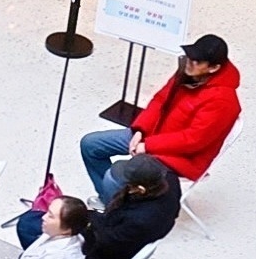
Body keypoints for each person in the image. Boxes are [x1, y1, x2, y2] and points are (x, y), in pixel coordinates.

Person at [83, 35, 245, 196]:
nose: (190, 61)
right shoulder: (188, 73)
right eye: (190, 56)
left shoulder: (223, 101)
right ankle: (113, 200)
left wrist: (148, 146)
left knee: (114, 177)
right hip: (153, 135)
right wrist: (140, 130)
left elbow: (193, 140)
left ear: (214, 68)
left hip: (181, 157)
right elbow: (160, 100)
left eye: (197, 61)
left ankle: (116, 206)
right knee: (90, 145)